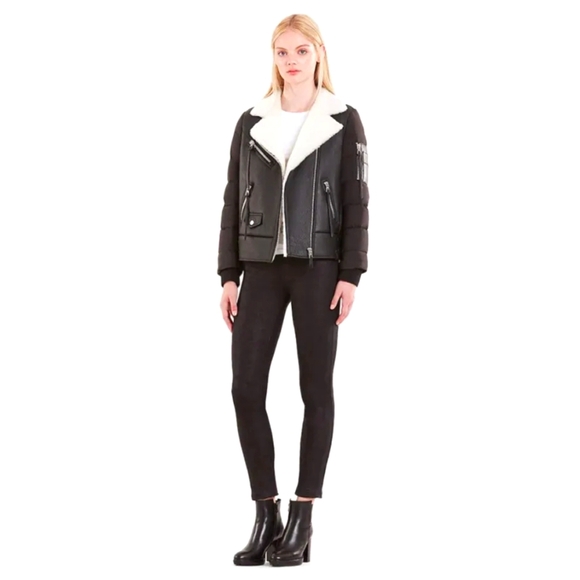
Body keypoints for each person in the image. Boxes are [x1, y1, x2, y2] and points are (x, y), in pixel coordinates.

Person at [216, 14, 370, 567]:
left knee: (315, 390)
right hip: (260, 268)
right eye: (282, 52)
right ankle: (267, 514)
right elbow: (232, 198)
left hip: (320, 269)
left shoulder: (342, 119)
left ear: (318, 53)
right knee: (245, 388)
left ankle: (304, 514)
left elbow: (357, 199)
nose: (291, 61)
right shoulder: (252, 120)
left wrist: (351, 273)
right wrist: (228, 273)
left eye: (301, 51)